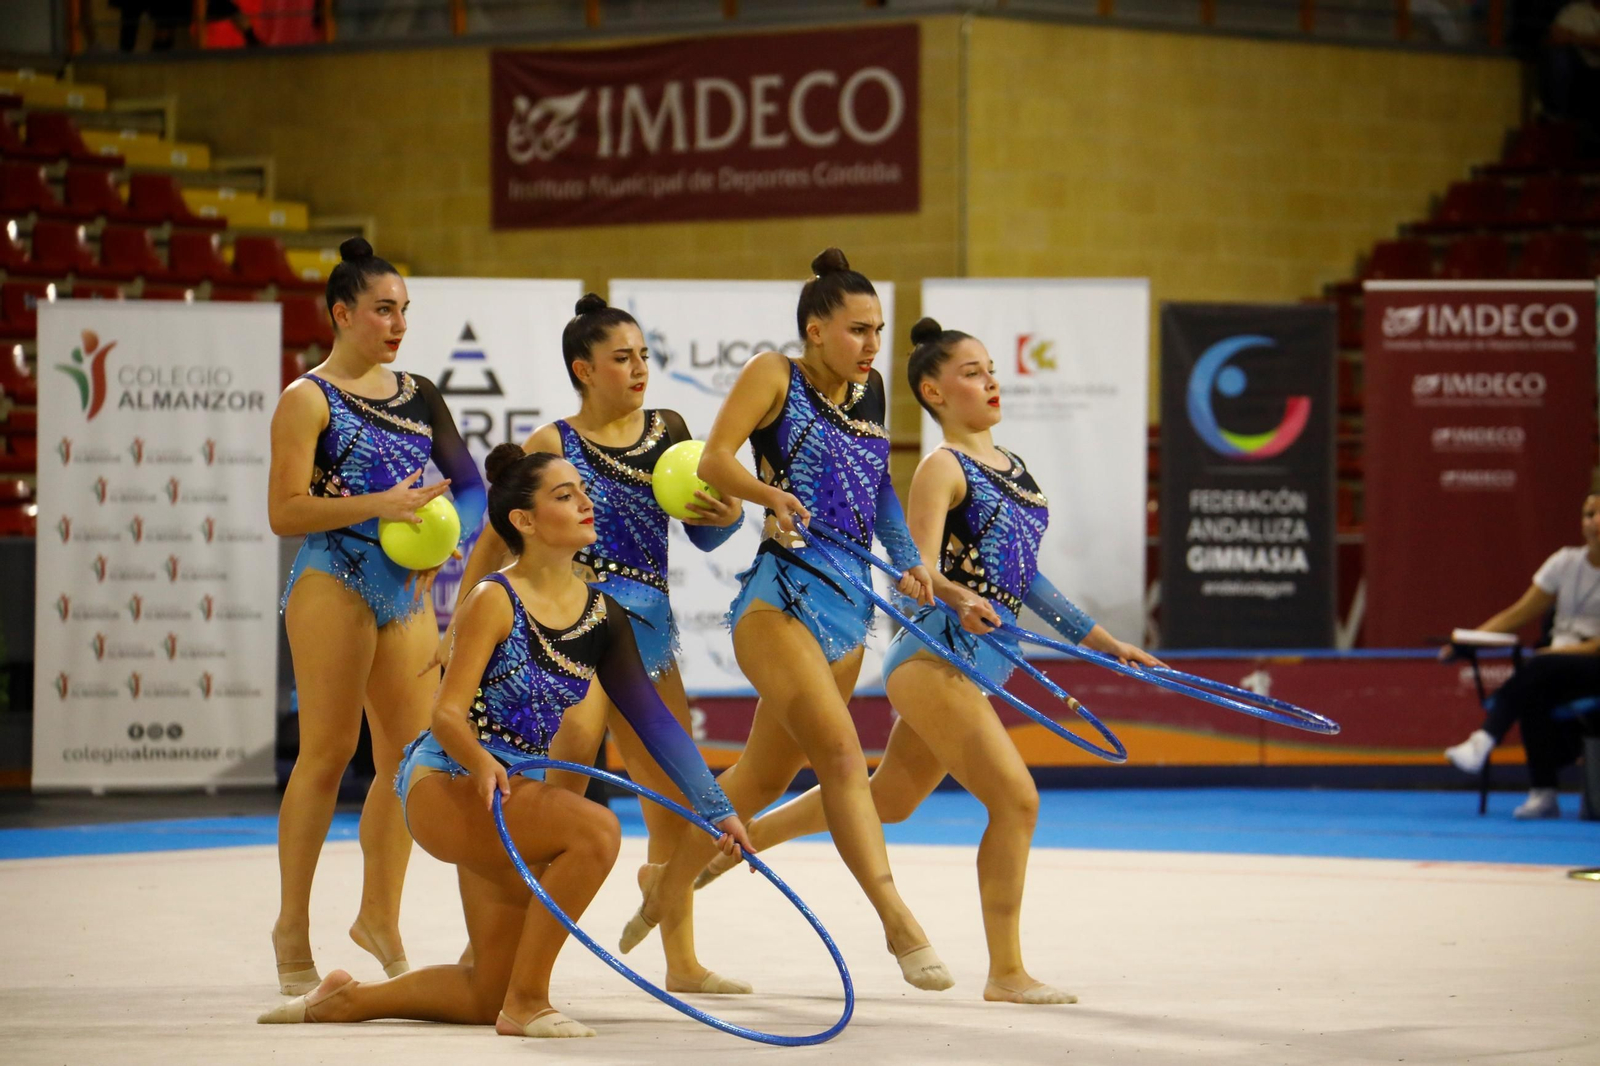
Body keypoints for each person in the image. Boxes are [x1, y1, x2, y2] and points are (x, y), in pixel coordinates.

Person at [694, 318, 1163, 1003]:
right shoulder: (943, 468)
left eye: (991, 369)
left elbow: (1025, 582)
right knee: (1017, 800)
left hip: (985, 659)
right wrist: (952, 591)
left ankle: (748, 837)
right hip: (939, 655)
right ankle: (1006, 973)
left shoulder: (1018, 469)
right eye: (971, 373)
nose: (991, 381)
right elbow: (915, 560)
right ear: (933, 392)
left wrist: (1103, 640)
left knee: (891, 799)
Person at [259, 445, 752, 1036]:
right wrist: (481, 763)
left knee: (480, 990)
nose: (586, 503)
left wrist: (717, 810)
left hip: (507, 796)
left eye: (583, 492)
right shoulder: (496, 599)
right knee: (597, 831)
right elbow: (445, 715)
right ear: (524, 520)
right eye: (564, 496)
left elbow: (656, 722)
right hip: (449, 782)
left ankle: (345, 1000)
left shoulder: (604, 616)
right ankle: (529, 1002)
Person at [618, 248, 954, 992]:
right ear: (816, 328)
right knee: (841, 755)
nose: (872, 345)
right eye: (859, 330)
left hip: (846, 614)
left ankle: (664, 888)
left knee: (763, 778)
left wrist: (910, 560)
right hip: (777, 602)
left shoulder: (867, 397)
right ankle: (897, 921)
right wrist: (771, 498)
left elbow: (881, 495)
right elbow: (712, 460)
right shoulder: (776, 374)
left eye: (878, 330)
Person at [436, 293, 748, 994]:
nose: (639, 369)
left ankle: (682, 961)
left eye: (643, 355)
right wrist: (462, 622)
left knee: (668, 794)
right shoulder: (554, 442)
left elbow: (703, 531)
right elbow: (497, 538)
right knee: (556, 797)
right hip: (573, 635)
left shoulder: (671, 429)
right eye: (621, 358)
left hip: (648, 635)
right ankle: (499, 951)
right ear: (584, 368)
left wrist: (727, 514)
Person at [267, 238, 486, 994]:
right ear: (343, 313)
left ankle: (379, 916)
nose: (397, 323)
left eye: (404, 310)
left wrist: (443, 544)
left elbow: (471, 487)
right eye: (383, 309)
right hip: (334, 576)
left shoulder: (421, 393)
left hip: (408, 587)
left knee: (410, 760)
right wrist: (382, 506)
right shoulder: (308, 398)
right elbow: (284, 511)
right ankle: (291, 925)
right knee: (327, 754)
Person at [1444, 493, 1600, 818]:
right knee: (1534, 690)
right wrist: (1466, 641)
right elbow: (1518, 613)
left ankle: (1485, 739)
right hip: (1556, 667)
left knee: (1539, 666)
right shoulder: (1565, 561)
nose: (1594, 522)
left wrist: (1560, 653)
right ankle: (1544, 795)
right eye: (1589, 514)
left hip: (1593, 664)